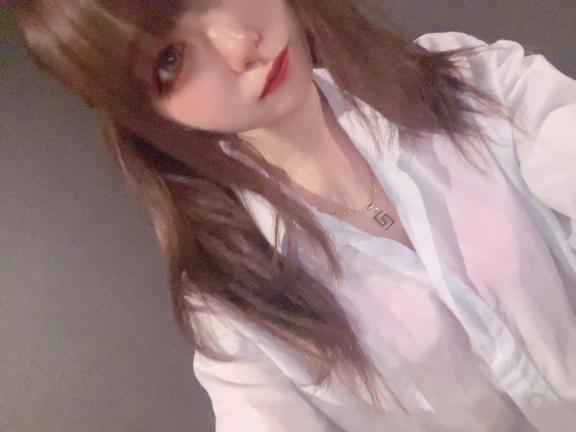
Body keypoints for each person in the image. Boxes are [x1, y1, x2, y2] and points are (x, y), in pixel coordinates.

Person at [9, 0, 576, 430]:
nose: (240, 45)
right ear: (147, 113)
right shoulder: (232, 300)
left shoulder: (472, 85)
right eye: (171, 59)